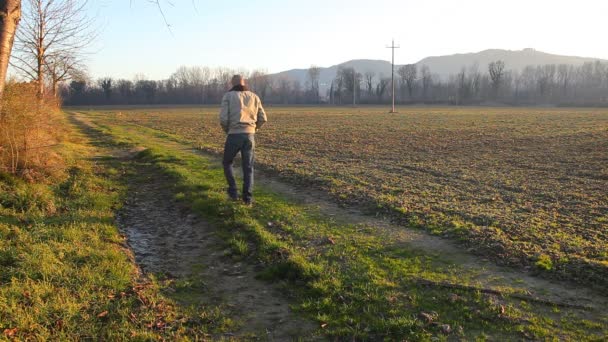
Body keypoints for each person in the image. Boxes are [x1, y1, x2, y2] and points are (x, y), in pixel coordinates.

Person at [219, 75, 267, 205]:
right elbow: (263, 118)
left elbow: (223, 119)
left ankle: (233, 192)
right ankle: (247, 199)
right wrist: (253, 129)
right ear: (244, 82)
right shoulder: (254, 96)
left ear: (231, 83)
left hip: (233, 134)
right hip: (249, 136)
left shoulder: (228, 97)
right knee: (248, 167)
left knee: (227, 162)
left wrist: (228, 130)